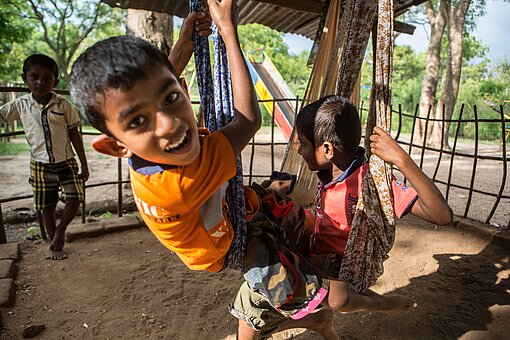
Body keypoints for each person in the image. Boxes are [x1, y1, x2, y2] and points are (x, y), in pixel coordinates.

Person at [69, 0, 331, 325]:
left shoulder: (143, 150)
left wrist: (184, 44)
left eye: (170, 98)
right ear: (116, 146)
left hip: (214, 209)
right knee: (281, 269)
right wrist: (228, 31)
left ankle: (312, 235)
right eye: (139, 121)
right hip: (221, 246)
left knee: (273, 203)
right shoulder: (181, 182)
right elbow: (248, 121)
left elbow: (160, 83)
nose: (169, 125)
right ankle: (313, 298)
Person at [231, 95, 454, 340]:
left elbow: (441, 215)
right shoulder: (329, 172)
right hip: (312, 242)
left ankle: (362, 309)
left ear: (327, 149)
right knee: (265, 202)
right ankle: (318, 320)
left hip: (339, 267)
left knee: (251, 299)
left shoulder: (372, 184)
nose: (299, 150)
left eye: (303, 144)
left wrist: (401, 159)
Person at [0, 54, 89, 260]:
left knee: (75, 198)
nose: (40, 82)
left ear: (55, 82)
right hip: (39, 164)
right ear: (25, 79)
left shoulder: (63, 105)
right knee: (46, 206)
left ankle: (60, 230)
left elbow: (75, 134)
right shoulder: (20, 105)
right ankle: (55, 243)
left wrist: (84, 164)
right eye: (34, 77)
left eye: (47, 78)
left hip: (66, 161)